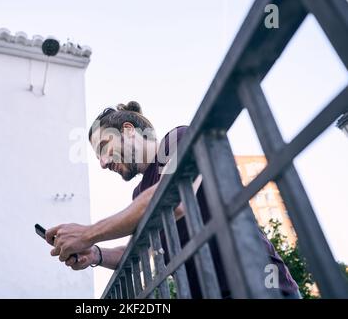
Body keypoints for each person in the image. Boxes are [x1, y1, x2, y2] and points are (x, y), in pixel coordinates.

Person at [46, 101, 301, 298]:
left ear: (128, 130)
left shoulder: (177, 139)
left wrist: (89, 233)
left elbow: (174, 200)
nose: (102, 163)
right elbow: (136, 251)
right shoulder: (138, 195)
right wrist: (96, 254)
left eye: (104, 146)